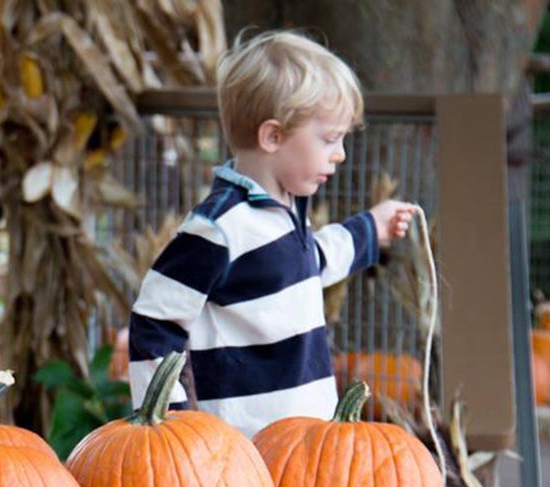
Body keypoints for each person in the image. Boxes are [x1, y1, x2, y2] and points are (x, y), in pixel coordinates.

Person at [128, 30, 416, 436]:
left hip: (309, 434)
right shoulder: (219, 228)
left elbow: (309, 263)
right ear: (273, 136)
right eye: (330, 139)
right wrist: (167, 421)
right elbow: (155, 319)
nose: (340, 154)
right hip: (249, 446)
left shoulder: (283, 212)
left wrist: (372, 228)